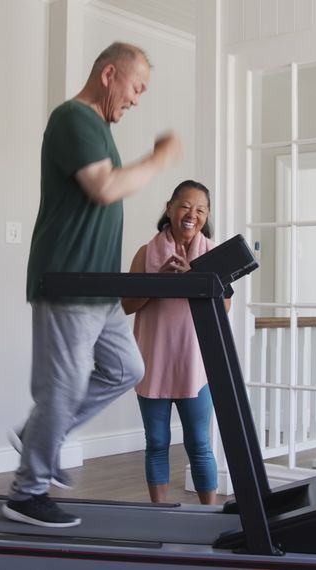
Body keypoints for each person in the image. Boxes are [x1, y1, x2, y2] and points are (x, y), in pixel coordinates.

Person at [4, 42, 183, 528]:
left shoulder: (99, 129)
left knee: (126, 369)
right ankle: (27, 492)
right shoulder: (74, 119)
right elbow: (104, 189)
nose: (137, 99)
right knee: (61, 387)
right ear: (110, 74)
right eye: (136, 88)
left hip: (99, 287)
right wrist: (160, 158)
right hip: (68, 279)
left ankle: (38, 432)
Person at [121, 180, 227, 505]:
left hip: (196, 365)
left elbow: (224, 310)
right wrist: (160, 282)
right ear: (170, 208)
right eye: (185, 206)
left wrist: (195, 279)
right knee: (156, 441)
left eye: (200, 209)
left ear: (206, 216)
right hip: (153, 362)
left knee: (199, 443)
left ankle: (208, 516)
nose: (192, 214)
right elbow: (127, 305)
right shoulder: (146, 253)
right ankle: (160, 514)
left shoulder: (213, 254)